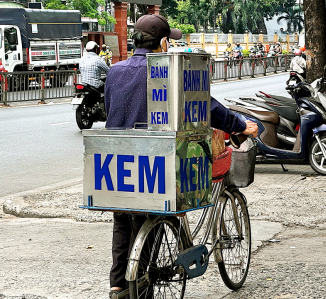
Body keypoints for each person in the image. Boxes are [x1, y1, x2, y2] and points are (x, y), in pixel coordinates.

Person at [104, 14, 258, 298]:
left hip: (114, 161)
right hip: (155, 161)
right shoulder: (170, 70)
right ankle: (141, 287)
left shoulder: (115, 71)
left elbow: (111, 111)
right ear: (162, 43)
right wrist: (239, 125)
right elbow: (207, 106)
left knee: (122, 220)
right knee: (146, 219)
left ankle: (117, 286)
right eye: (167, 41)